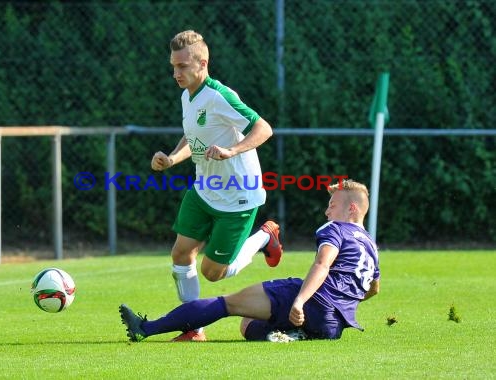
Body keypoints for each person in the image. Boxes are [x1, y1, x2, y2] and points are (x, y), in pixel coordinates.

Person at [119, 179, 380, 342]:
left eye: (332, 205)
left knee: (227, 304)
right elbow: (372, 289)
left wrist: (300, 300)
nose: (327, 211)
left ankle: (146, 328)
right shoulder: (371, 245)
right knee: (248, 326)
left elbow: (322, 265)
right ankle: (293, 334)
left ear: (352, 208)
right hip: (333, 327)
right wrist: (342, 302)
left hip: (314, 302)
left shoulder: (334, 229)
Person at [150, 29, 283, 341]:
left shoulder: (220, 96)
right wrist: (171, 159)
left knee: (213, 273)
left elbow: (264, 128)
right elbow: (193, 136)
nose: (175, 73)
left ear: (203, 63)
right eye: (173, 66)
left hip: (237, 196)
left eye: (182, 66)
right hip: (204, 188)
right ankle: (194, 328)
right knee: (181, 254)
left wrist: (232, 150)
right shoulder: (188, 96)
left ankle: (265, 236)